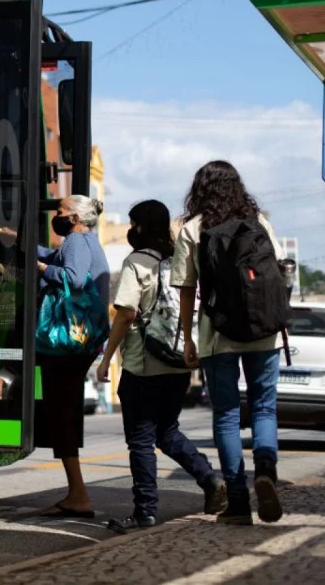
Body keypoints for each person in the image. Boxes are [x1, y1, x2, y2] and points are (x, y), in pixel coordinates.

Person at [97, 200, 226, 531]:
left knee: (140, 439)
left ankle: (145, 511)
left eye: (133, 223)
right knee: (167, 431)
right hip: (179, 363)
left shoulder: (137, 262)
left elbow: (126, 314)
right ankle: (208, 477)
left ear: (142, 226)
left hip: (144, 364)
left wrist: (107, 358)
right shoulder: (177, 261)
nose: (130, 229)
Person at [171, 160, 285, 525]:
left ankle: (238, 502)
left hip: (217, 333)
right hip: (264, 331)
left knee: (227, 415)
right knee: (264, 408)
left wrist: (187, 337)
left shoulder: (193, 229)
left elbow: (187, 289)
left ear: (199, 190)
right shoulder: (260, 221)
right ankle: (265, 470)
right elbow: (278, 272)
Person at [34, 195, 111, 519]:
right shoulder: (85, 241)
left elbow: (75, 278)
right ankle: (75, 492)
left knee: (61, 413)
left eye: (61, 211)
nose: (56, 215)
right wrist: (21, 244)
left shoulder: (76, 240)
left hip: (65, 343)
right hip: (81, 342)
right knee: (61, 412)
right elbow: (55, 258)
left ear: (76, 218)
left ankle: (78, 494)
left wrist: (39, 268)